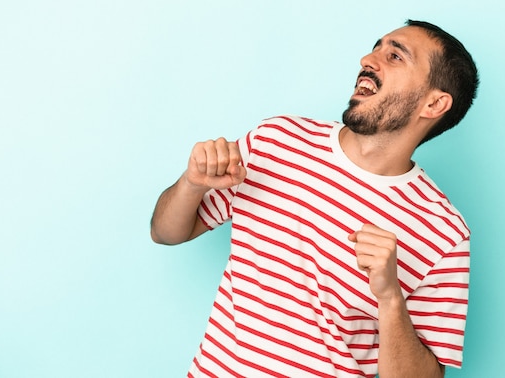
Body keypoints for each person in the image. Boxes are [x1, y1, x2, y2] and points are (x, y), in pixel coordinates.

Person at [150, 19, 479, 378]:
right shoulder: (276, 142)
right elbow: (165, 233)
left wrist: (390, 298)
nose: (368, 59)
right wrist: (192, 184)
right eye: (377, 47)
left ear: (434, 104)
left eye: (396, 56)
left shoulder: (444, 231)